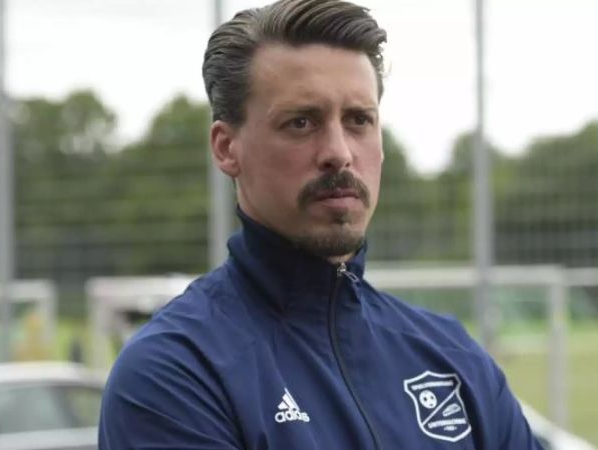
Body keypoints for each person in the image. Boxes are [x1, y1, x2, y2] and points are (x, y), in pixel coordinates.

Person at [99, 0, 543, 448]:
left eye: (358, 121)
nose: (339, 151)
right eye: (301, 122)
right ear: (226, 148)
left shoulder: (452, 356)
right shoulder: (176, 372)